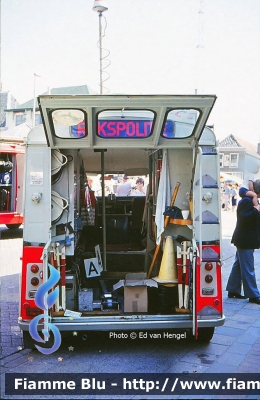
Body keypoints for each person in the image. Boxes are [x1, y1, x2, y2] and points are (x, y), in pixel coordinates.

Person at [226, 179, 260, 304]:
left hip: (244, 238)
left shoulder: (250, 199)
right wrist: (256, 210)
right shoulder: (247, 201)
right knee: (248, 268)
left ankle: (233, 289)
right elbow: (244, 218)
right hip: (245, 239)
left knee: (239, 265)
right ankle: (253, 295)